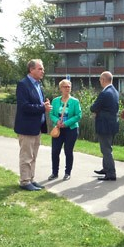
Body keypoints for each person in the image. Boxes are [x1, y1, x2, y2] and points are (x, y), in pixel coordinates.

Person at [14, 59, 52, 191]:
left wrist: (44, 105)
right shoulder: (23, 84)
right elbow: (24, 106)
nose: (43, 71)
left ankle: (31, 178)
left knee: (34, 155)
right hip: (27, 127)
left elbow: (38, 103)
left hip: (37, 127)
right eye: (40, 69)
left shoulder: (38, 84)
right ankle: (24, 181)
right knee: (26, 155)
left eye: (42, 69)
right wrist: (43, 108)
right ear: (31, 70)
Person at [48, 79, 82, 181]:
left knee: (68, 151)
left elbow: (78, 115)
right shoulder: (55, 101)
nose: (67, 88)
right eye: (65, 87)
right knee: (55, 151)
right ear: (60, 88)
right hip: (58, 129)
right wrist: (57, 121)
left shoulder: (75, 101)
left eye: (69, 87)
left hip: (71, 129)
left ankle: (67, 173)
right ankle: (54, 172)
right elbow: (51, 114)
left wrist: (66, 123)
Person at [91, 71, 120, 181]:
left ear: (103, 80)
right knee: (107, 147)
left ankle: (111, 173)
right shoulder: (114, 91)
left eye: (100, 80)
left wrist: (96, 111)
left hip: (105, 125)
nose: (100, 82)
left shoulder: (105, 93)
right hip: (112, 124)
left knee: (106, 149)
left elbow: (94, 107)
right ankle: (106, 168)